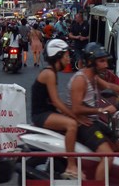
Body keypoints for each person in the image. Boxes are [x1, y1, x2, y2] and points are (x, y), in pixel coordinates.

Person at [67, 42, 119, 181]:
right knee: (108, 156)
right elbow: (76, 109)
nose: (106, 65)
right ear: (90, 62)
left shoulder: (93, 77)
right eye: (101, 61)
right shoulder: (80, 80)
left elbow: (110, 87)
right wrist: (102, 109)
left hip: (94, 122)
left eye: (106, 61)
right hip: (84, 125)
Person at [31, 39, 82, 179]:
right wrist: (73, 115)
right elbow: (56, 101)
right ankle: (71, 166)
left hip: (48, 112)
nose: (68, 59)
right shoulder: (49, 74)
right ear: (57, 56)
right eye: (66, 55)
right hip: (41, 114)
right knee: (72, 125)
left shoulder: (52, 72)